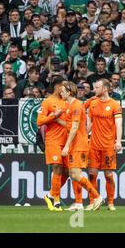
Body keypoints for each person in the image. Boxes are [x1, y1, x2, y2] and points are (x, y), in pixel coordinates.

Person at [60, 81, 105, 211]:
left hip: (78, 144)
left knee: (75, 174)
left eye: (63, 91)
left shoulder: (75, 106)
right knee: (74, 174)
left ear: (69, 92)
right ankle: (79, 203)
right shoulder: (70, 105)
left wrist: (67, 146)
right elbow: (70, 125)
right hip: (75, 144)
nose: (61, 93)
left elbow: (74, 128)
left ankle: (97, 197)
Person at [85, 79, 123, 211]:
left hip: (108, 146)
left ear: (105, 89)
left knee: (108, 175)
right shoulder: (93, 104)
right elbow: (89, 124)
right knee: (92, 174)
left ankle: (111, 202)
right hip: (93, 145)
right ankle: (93, 202)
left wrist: (118, 141)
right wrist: (83, 137)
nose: (94, 90)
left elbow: (118, 124)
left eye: (97, 87)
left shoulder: (114, 105)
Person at [37, 77, 69, 211]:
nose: (65, 88)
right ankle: (56, 200)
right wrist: (53, 116)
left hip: (67, 141)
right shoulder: (48, 102)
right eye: (64, 85)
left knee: (67, 172)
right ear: (57, 86)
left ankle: (50, 194)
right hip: (53, 140)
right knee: (57, 166)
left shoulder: (68, 102)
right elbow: (40, 121)